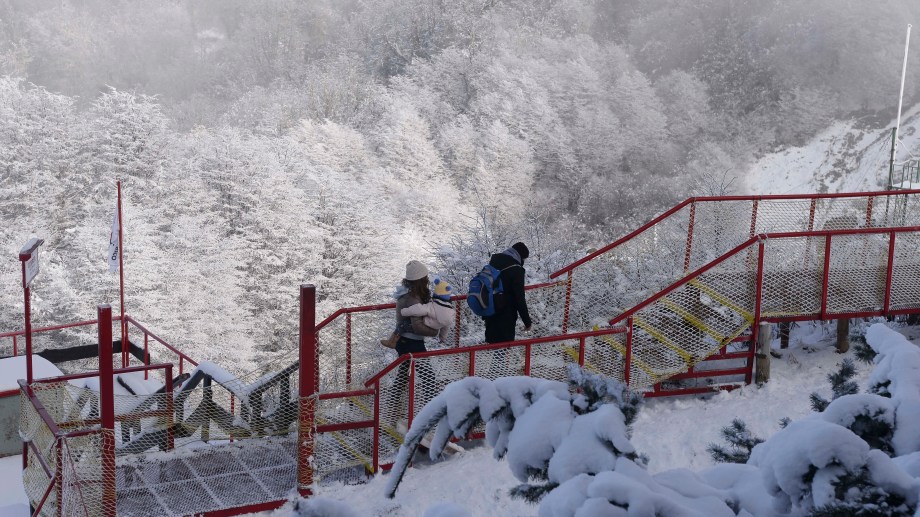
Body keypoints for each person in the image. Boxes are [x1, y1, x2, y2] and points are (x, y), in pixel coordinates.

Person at [484, 242, 533, 344]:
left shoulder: (493, 263)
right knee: (503, 347)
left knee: (492, 345)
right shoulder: (516, 269)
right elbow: (520, 298)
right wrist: (527, 322)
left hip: (490, 311)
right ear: (520, 256)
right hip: (505, 315)